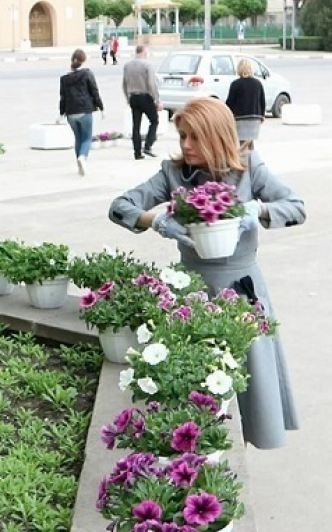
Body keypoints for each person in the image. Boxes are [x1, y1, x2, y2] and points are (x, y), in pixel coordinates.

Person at [108, 96, 306, 450]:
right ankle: (201, 450)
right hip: (191, 293)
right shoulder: (172, 173)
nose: (186, 145)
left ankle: (249, 442)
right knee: (195, 383)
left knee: (253, 378)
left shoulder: (249, 167)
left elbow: (296, 208)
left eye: (195, 137)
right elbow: (120, 207)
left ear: (217, 135)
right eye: (182, 135)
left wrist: (255, 211)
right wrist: (156, 220)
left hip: (242, 291)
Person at [58, 49, 105, 176]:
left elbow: (62, 97)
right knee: (86, 138)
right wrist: (101, 107)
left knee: (78, 139)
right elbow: (94, 91)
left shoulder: (64, 78)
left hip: (70, 113)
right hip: (85, 110)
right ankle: (82, 158)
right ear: (83, 60)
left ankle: (79, 166)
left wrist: (61, 113)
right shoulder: (87, 74)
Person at [122, 44, 161, 160]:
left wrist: (127, 98)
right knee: (154, 120)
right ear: (144, 52)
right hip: (145, 96)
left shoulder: (127, 65)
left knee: (136, 125)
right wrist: (157, 99)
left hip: (133, 97)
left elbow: (124, 83)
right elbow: (151, 83)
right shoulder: (147, 65)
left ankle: (137, 152)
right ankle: (148, 145)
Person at [225, 59, 266, 147]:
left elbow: (230, 103)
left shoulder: (235, 84)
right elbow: (262, 101)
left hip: (240, 118)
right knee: (250, 142)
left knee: (241, 143)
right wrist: (262, 115)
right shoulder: (258, 83)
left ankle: (242, 159)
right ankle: (250, 157)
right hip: (255, 118)